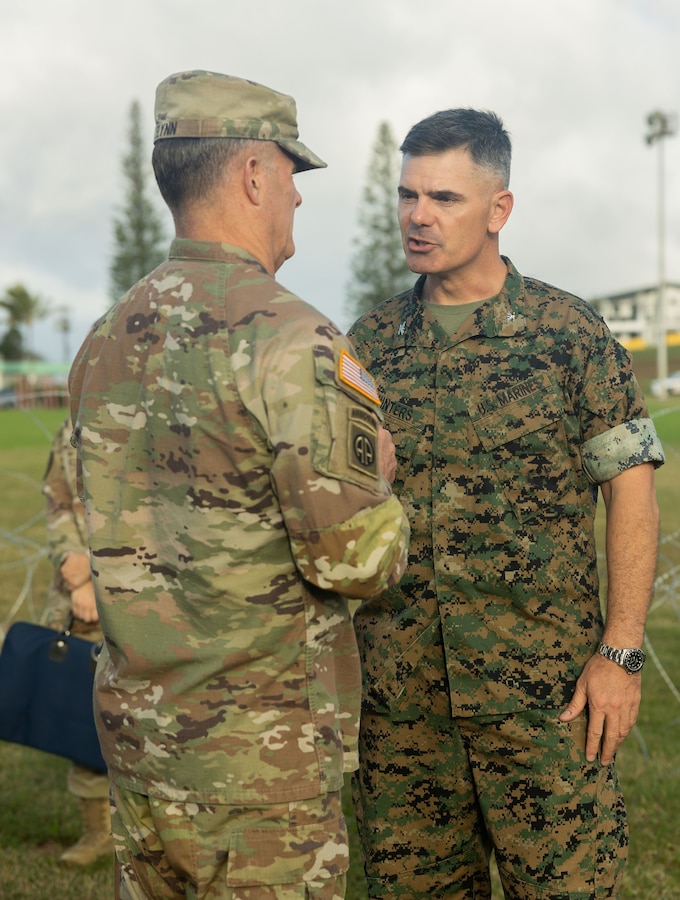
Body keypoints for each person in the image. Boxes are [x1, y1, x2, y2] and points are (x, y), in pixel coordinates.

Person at [67, 70, 409, 900]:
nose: (297, 197)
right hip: (262, 778)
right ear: (254, 175)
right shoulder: (296, 341)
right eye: (292, 174)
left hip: (143, 753)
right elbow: (356, 564)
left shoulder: (107, 337)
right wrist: (386, 483)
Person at [348, 108, 665, 899]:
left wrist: (621, 653)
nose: (419, 216)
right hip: (403, 712)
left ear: (499, 209)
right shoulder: (369, 346)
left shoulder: (570, 336)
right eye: (408, 194)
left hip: (546, 705)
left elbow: (631, 490)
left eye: (445, 198)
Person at [42, 415, 112, 866]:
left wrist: (95, 567)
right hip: (80, 597)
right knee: (82, 708)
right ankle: (97, 831)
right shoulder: (72, 421)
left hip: (148, 598)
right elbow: (59, 500)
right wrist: (74, 567)